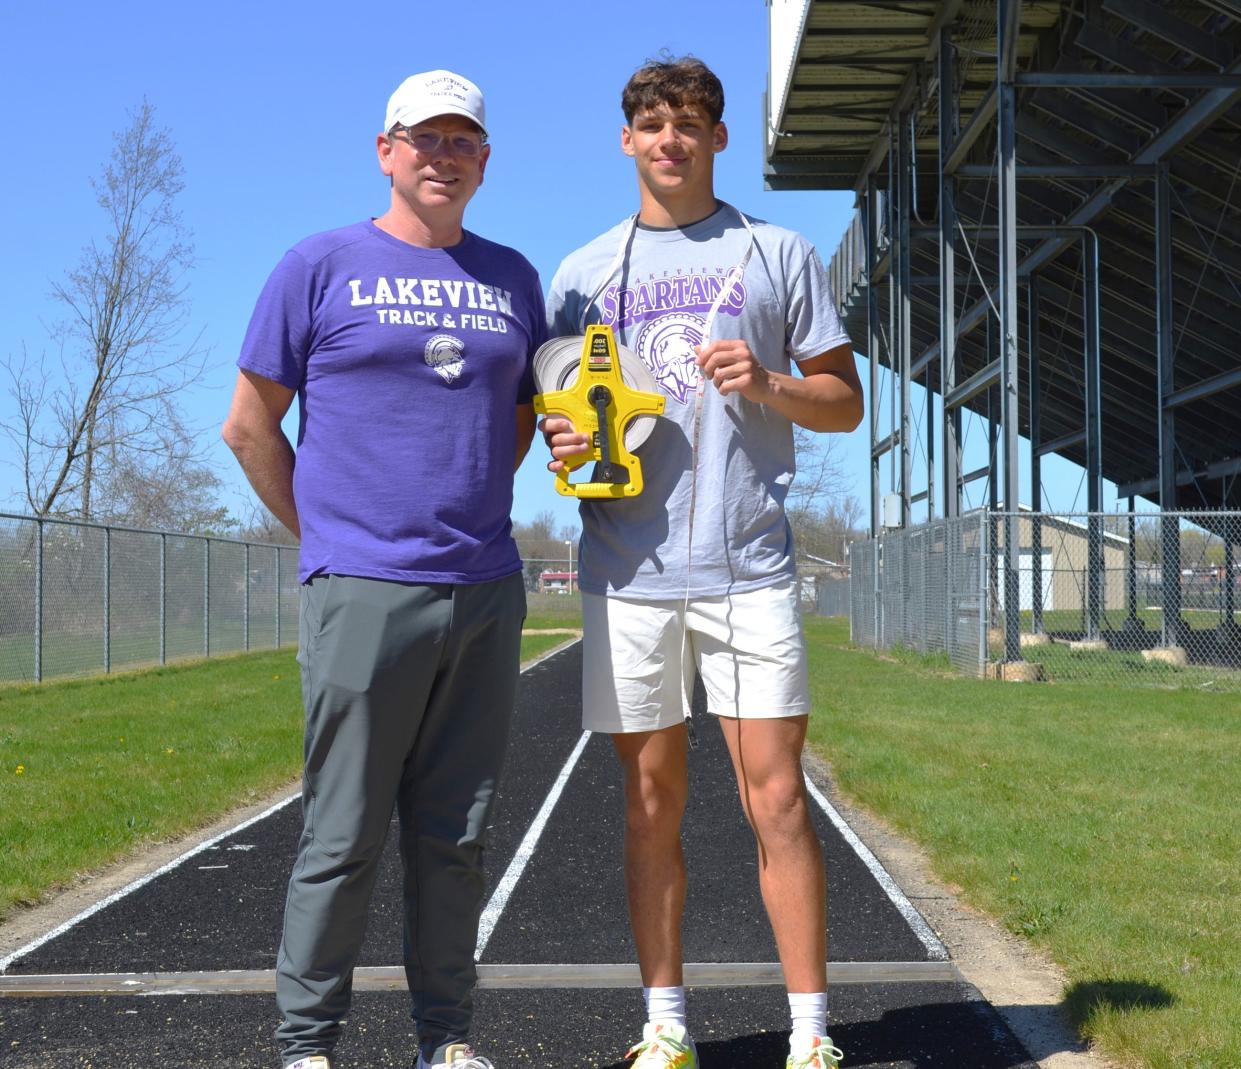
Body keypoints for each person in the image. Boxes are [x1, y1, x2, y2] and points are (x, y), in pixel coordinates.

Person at [540, 57, 863, 1069]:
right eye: (649, 124)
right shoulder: (580, 273)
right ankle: (665, 1026)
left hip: (749, 568)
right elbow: (556, 410)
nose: (668, 140)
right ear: (625, 141)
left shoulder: (777, 253)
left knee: (775, 797)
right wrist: (559, 441)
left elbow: (845, 401)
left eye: (687, 123)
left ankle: (810, 1034)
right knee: (646, 808)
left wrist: (769, 380)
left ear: (717, 139)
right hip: (625, 575)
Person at [222, 70, 546, 1069]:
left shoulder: (512, 279)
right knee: (343, 834)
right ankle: (307, 1045)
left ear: (483, 161)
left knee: (455, 841)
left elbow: (521, 420)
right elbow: (247, 425)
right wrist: (326, 538)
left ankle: (445, 1042)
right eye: (424, 140)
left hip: (485, 589)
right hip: (362, 587)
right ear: (384, 150)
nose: (442, 157)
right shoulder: (318, 264)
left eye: (462, 143)